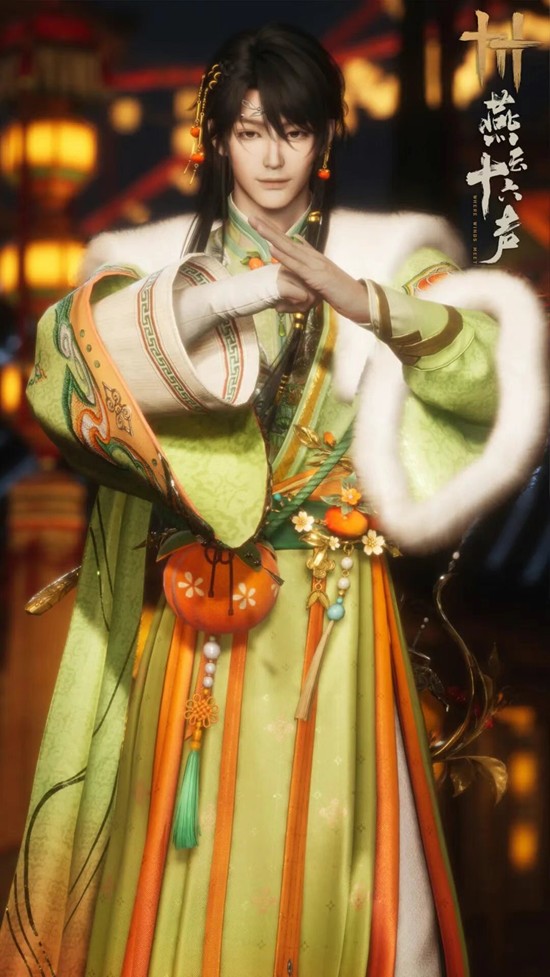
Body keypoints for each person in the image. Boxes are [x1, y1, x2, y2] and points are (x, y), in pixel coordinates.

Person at [1, 23, 547, 977]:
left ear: (325, 138)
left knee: (337, 855)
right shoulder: (153, 265)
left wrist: (364, 301)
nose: (271, 156)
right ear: (216, 140)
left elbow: (493, 373)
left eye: (293, 131)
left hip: (330, 614)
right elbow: (63, 372)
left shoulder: (383, 254)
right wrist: (211, 302)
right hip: (189, 614)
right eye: (249, 131)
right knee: (177, 853)